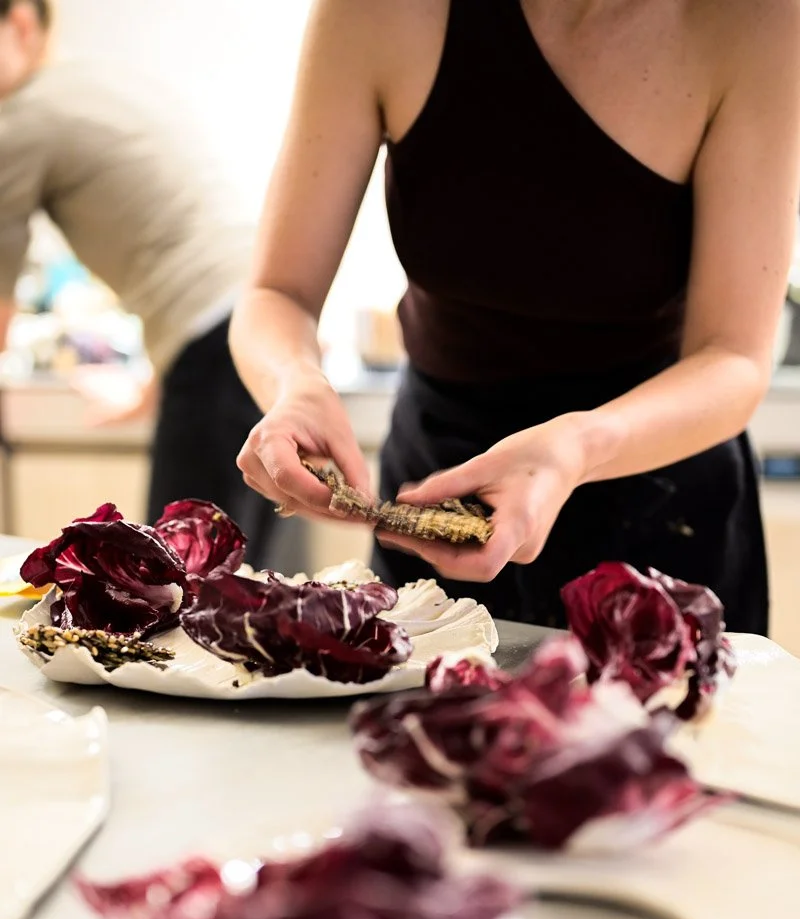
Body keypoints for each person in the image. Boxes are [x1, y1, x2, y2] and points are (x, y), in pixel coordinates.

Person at [232, 0, 800, 632]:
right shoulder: (377, 13)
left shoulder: (757, 21)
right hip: (439, 469)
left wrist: (578, 447)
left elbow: (735, 357)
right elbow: (276, 295)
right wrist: (296, 385)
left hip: (658, 490)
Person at [0, 0, 277, 559]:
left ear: (22, 23)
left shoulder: (25, 117)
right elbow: (193, 251)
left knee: (182, 580)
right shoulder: (102, 82)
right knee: (235, 575)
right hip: (267, 326)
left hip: (216, 350)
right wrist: (160, 382)